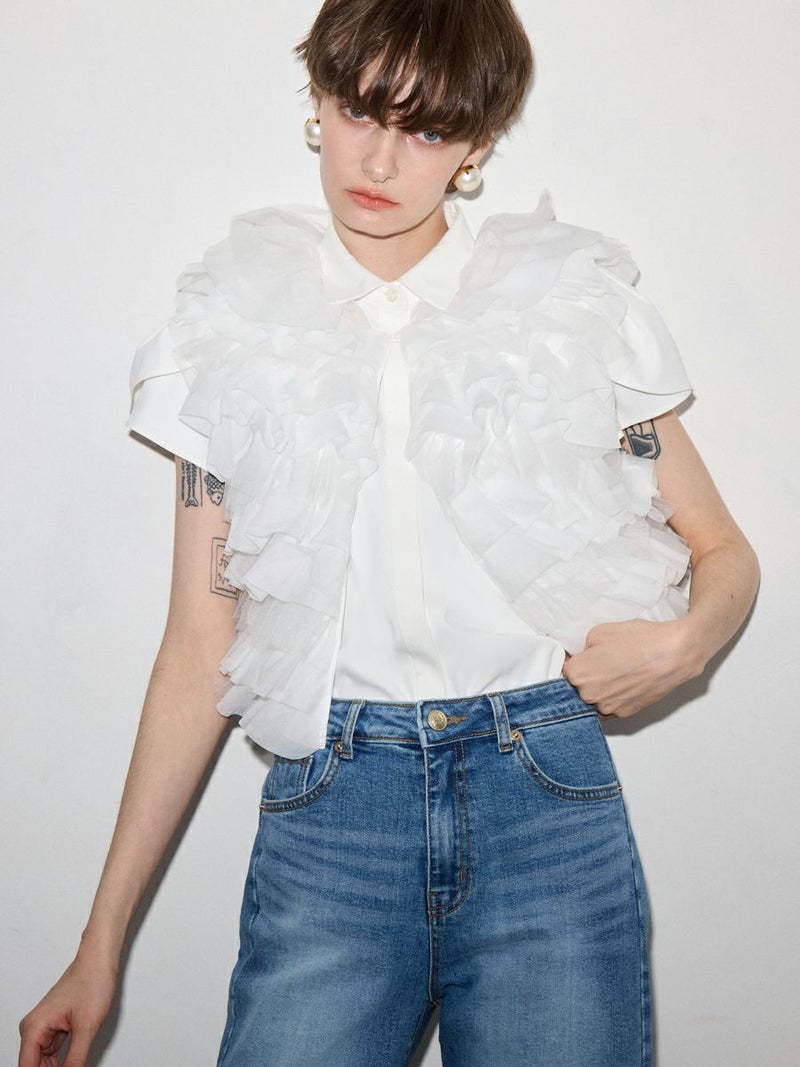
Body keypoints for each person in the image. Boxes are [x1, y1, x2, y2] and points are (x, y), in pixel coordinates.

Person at [18, 1, 759, 1064]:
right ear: (317, 102)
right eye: (361, 110)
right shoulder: (227, 328)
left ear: (476, 146)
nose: (379, 159)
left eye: (427, 128)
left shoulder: (567, 308)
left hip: (543, 796)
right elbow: (196, 644)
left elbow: (722, 549)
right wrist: (100, 948)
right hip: (334, 807)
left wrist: (686, 642)